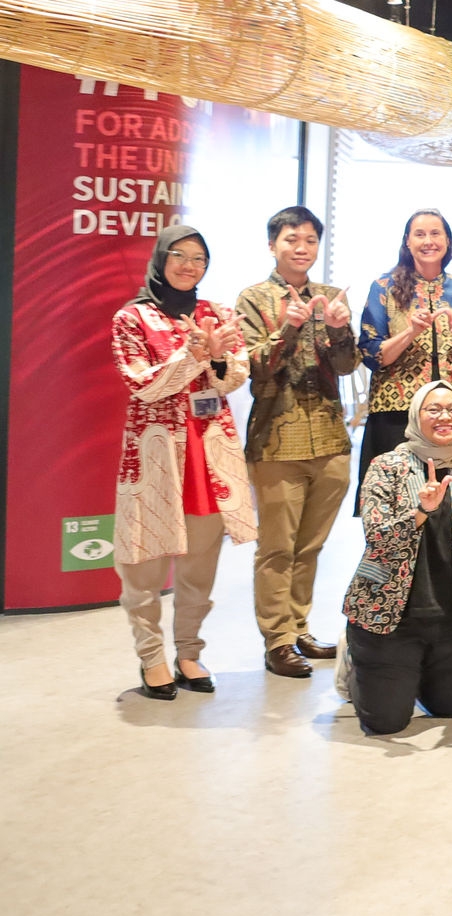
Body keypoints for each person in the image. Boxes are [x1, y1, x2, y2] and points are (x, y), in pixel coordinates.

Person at [112, 226, 256, 699]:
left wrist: (216, 361)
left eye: (199, 259)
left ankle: (189, 652)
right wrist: (193, 354)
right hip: (156, 459)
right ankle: (152, 659)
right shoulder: (131, 319)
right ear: (161, 259)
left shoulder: (217, 313)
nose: (188, 266)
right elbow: (145, 385)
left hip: (208, 455)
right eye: (179, 255)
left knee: (199, 567)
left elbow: (235, 375)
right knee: (145, 568)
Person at [235, 205, 361, 679]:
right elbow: (254, 369)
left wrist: (338, 329)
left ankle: (299, 627)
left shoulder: (330, 296)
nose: (301, 247)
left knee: (310, 547)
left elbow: (348, 366)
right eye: (291, 239)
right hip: (275, 442)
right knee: (276, 548)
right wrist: (288, 327)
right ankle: (277, 640)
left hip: (330, 437)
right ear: (273, 245)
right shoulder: (253, 299)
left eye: (309, 240)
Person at [342, 382, 452, 735]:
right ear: (416, 415)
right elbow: (377, 538)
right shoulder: (387, 466)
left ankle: (417, 670)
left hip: (450, 613)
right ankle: (356, 661)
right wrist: (420, 511)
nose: (445, 417)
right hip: (389, 614)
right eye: (434, 409)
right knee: (385, 722)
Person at [357, 209, 452, 500]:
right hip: (396, 412)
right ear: (407, 242)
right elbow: (371, 355)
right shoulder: (384, 288)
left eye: (435, 233)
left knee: (450, 502)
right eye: (420, 234)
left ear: (448, 241)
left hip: (451, 413)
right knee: (397, 501)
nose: (428, 241)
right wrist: (409, 332)